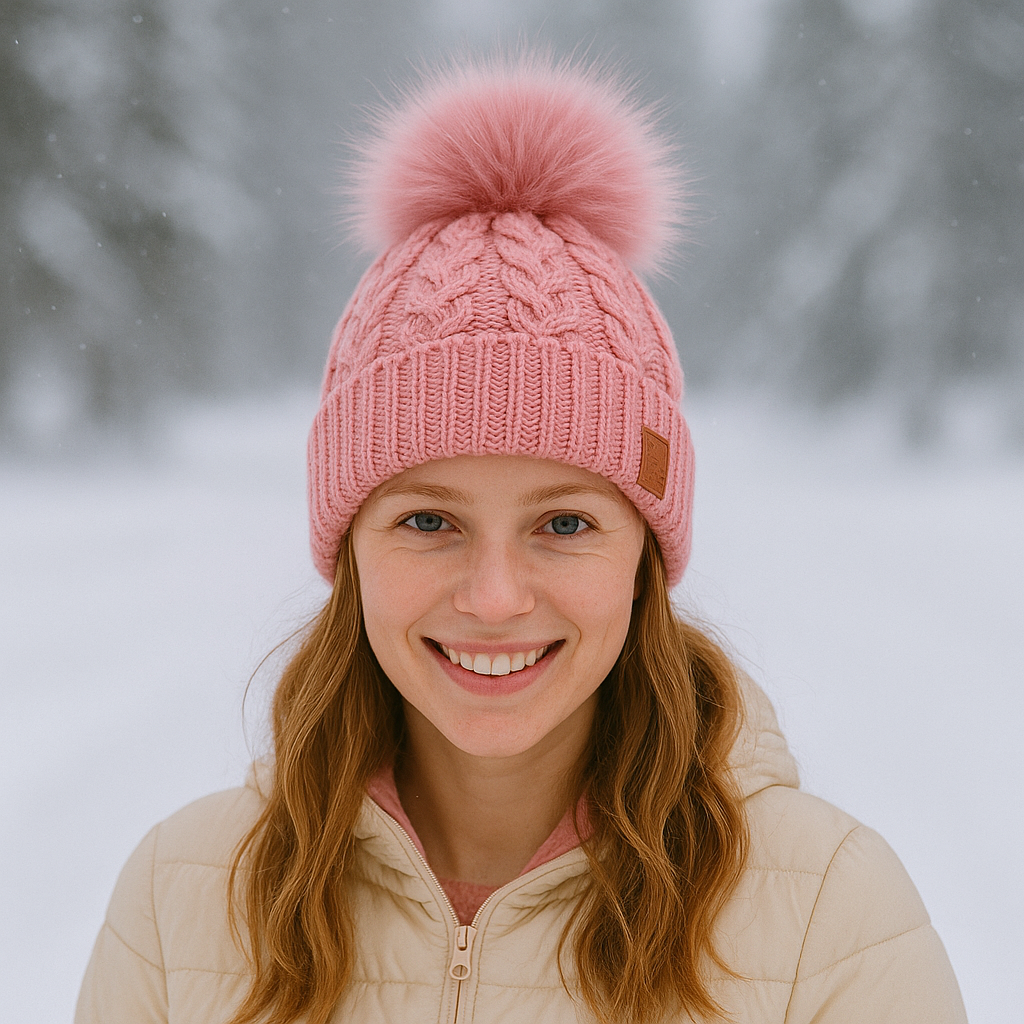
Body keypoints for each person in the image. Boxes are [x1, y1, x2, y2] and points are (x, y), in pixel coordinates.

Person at [75, 54, 967, 1024]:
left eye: (564, 523)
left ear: (643, 554)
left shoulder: (829, 915)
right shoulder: (180, 898)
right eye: (427, 520)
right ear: (349, 548)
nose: (494, 596)